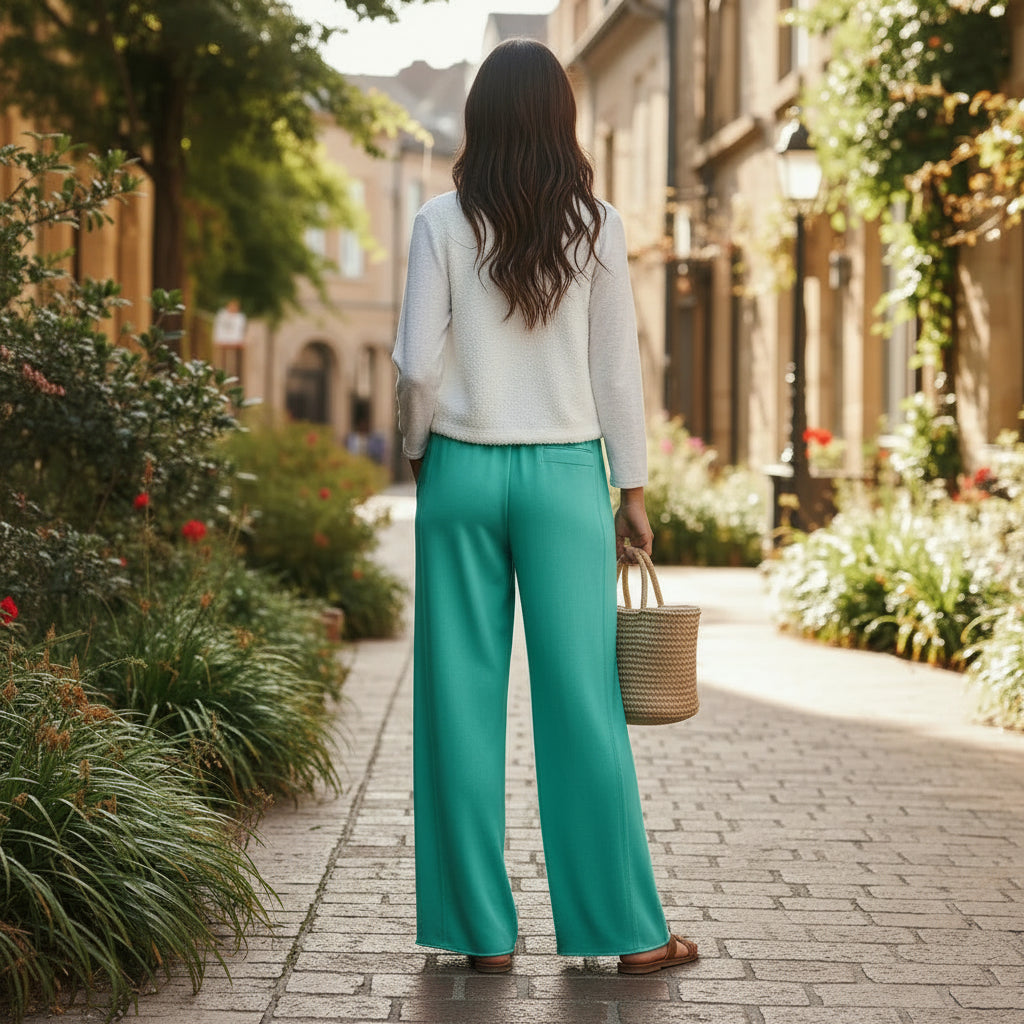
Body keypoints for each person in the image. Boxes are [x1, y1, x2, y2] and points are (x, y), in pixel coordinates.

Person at [392, 38, 698, 976]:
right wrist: (633, 489)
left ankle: (483, 936)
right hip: (568, 476)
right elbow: (617, 371)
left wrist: (417, 448)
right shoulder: (596, 224)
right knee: (583, 705)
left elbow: (416, 362)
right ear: (562, 118)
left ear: (479, 119)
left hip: (463, 473)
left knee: (458, 701)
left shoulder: (440, 221)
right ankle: (631, 935)